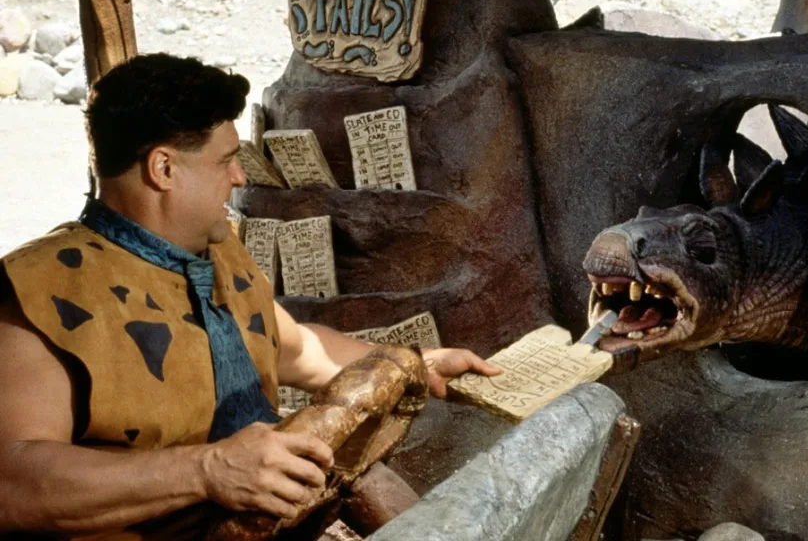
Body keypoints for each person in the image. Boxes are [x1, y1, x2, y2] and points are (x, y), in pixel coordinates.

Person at [0, 53, 500, 539]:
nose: (239, 176)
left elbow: (296, 350)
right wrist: (208, 470)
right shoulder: (39, 289)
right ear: (163, 169)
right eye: (226, 161)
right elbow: (12, 484)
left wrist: (414, 363)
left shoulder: (217, 251)